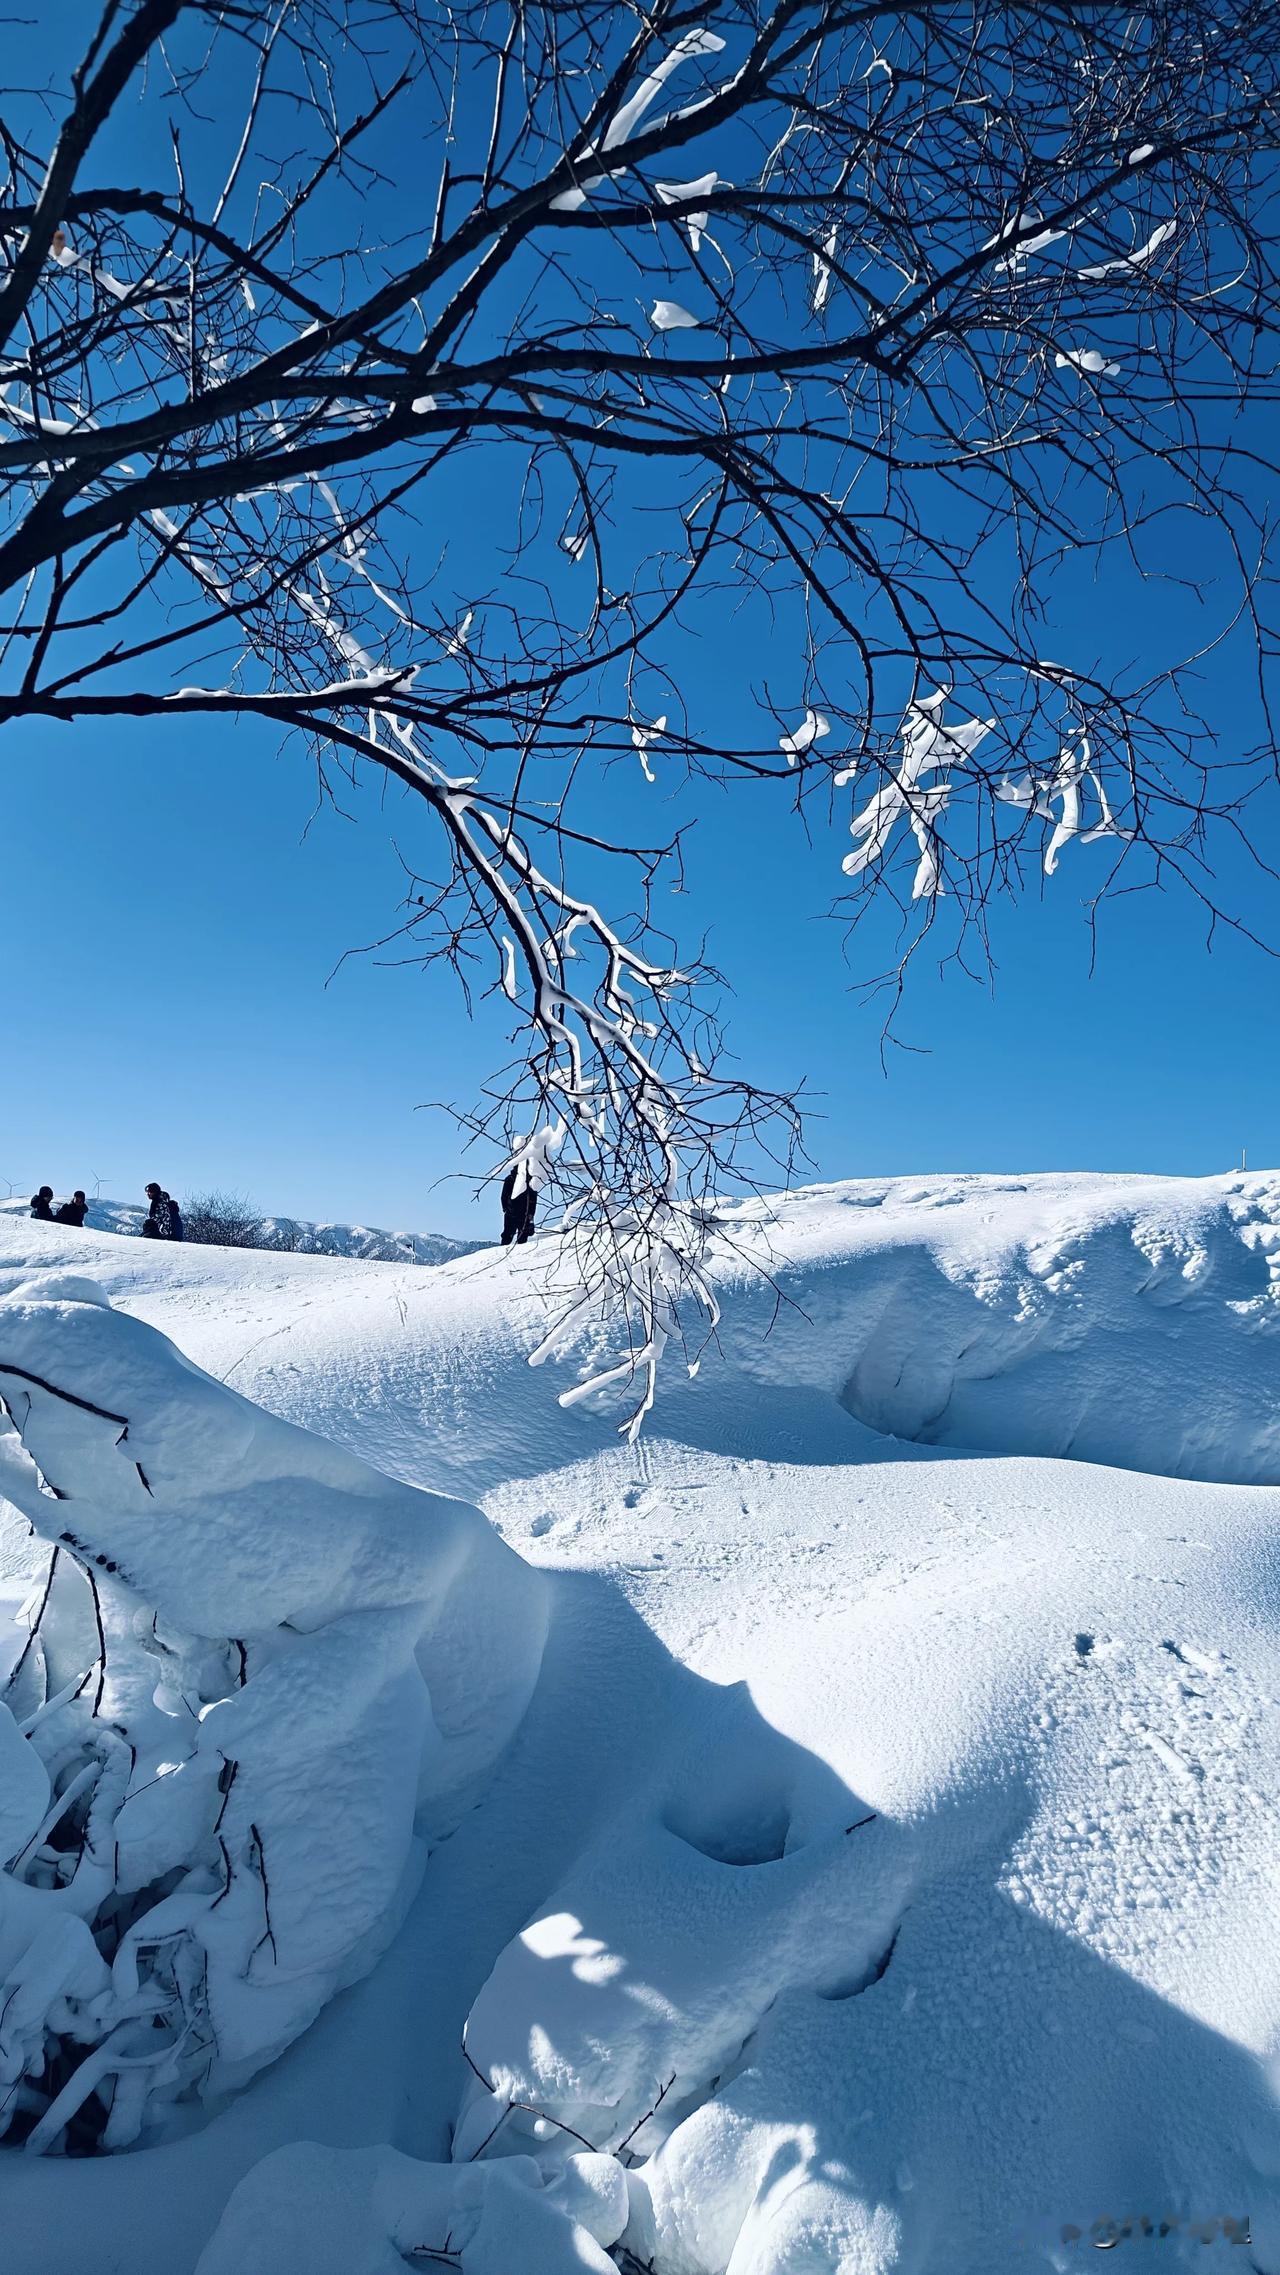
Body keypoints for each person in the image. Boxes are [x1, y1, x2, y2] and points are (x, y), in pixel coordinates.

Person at [500, 1162, 538, 1247]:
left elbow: (533, 1199)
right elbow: (504, 1196)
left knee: (521, 1234)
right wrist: (505, 1208)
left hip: (522, 1212)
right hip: (514, 1212)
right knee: (510, 1234)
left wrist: (531, 1213)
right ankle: (503, 1252)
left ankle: (519, 1255)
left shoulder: (529, 1180)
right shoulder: (510, 1179)